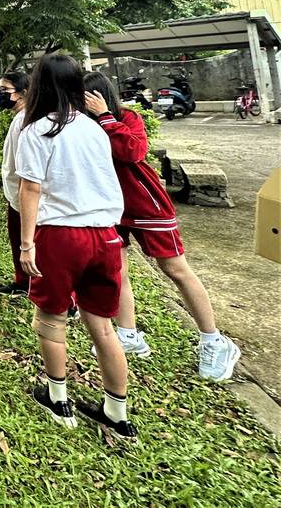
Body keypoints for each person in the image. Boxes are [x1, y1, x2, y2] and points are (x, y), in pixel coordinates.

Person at [82, 72, 241, 380]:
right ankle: (128, 335)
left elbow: (133, 152)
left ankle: (214, 340)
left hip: (146, 205)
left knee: (175, 269)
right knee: (117, 270)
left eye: (85, 98)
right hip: (110, 209)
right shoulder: (83, 127)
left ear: (100, 96)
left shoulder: (127, 118)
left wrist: (105, 117)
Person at [16, 54, 136, 441]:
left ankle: (58, 398)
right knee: (102, 325)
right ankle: (116, 412)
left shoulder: (37, 131)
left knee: (50, 318)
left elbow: (31, 188)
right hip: (105, 236)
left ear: (39, 87)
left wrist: (26, 244)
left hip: (61, 235)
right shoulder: (94, 128)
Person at [0, 71, 31, 297]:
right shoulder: (19, 118)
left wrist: (21, 196)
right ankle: (23, 282)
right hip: (16, 194)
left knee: (26, 241)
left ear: (23, 93)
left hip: (24, 195)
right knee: (17, 239)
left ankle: (30, 284)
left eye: (4, 91)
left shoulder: (24, 120)